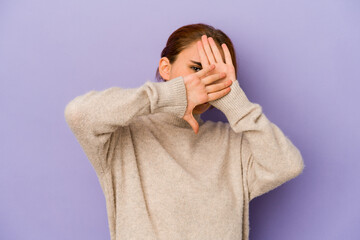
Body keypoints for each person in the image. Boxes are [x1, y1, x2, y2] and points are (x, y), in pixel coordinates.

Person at [64, 23, 305, 240]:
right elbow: (78, 114)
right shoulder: (125, 136)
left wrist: (236, 103)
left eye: (217, 75)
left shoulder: (233, 145)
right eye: (196, 68)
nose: (206, 81)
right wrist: (174, 94)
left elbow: (287, 165)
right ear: (165, 68)